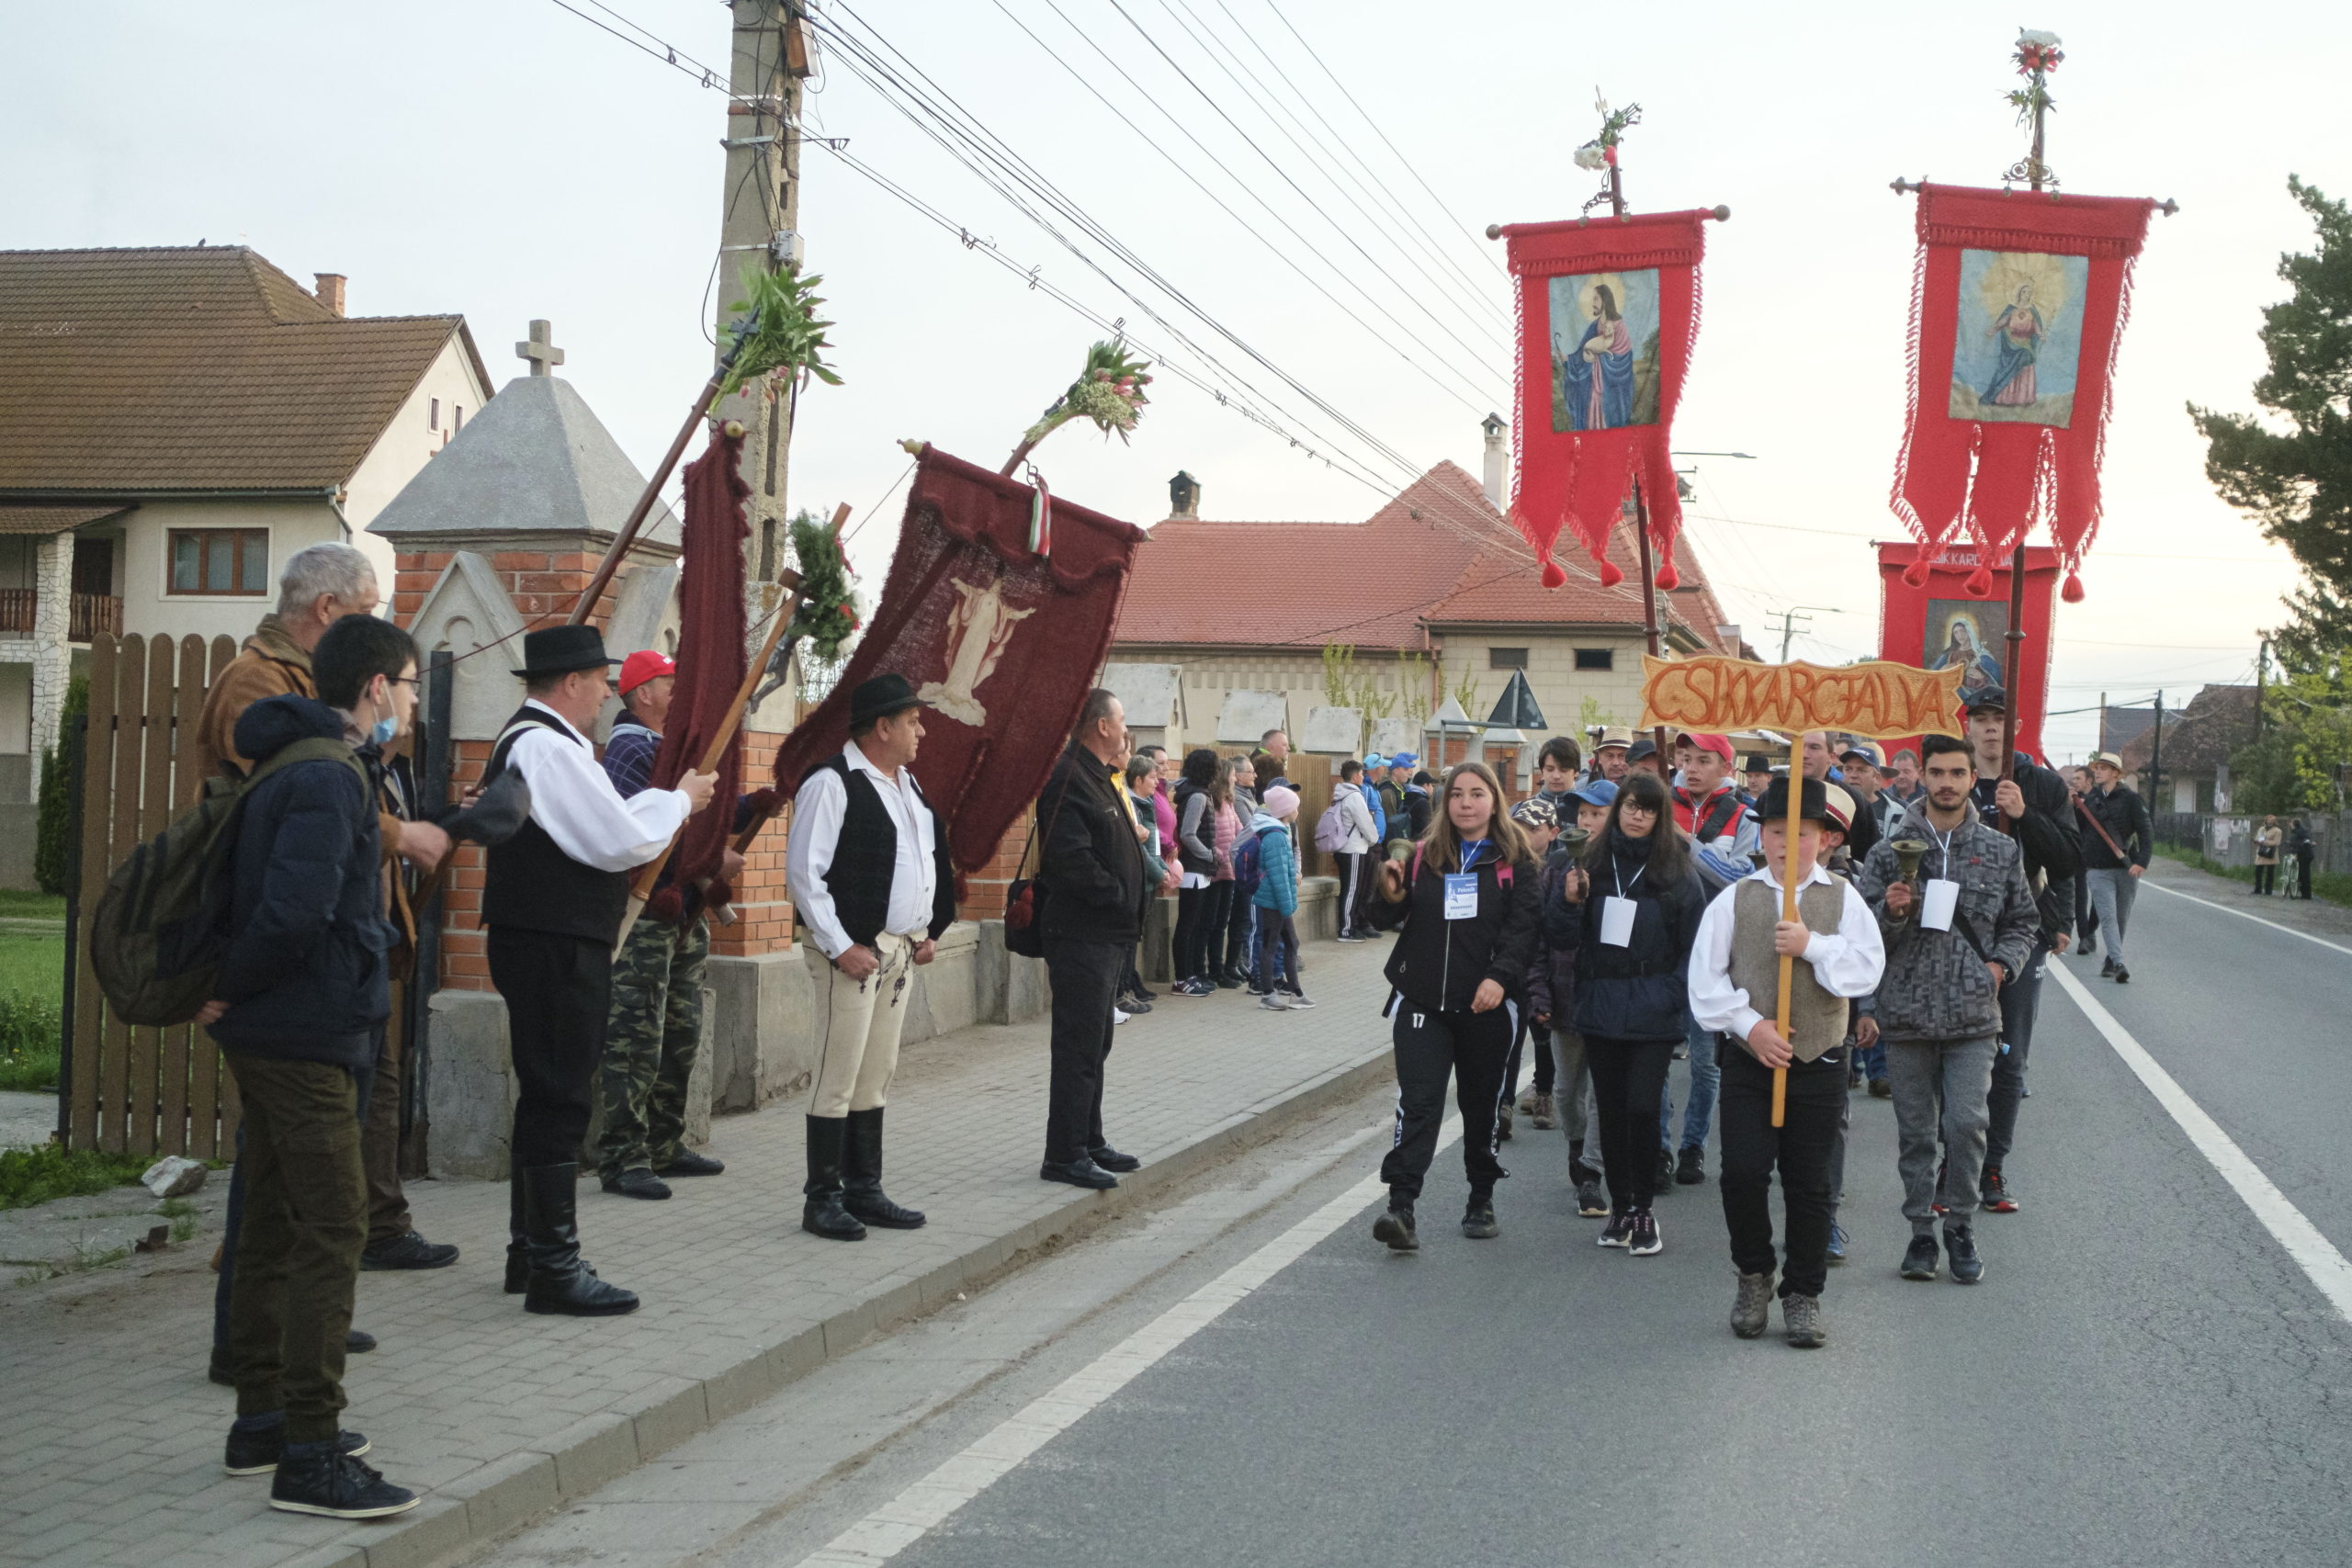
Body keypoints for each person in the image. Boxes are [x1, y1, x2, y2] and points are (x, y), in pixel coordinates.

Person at [197, 546, 450, 1392]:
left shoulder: (318, 718)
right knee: (323, 1216)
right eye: (407, 685)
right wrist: (226, 981)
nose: (410, 701)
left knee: (281, 1198)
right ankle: (297, 1418)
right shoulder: (264, 687)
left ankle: (262, 1372)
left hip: (323, 986)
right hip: (295, 1002)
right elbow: (287, 844)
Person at [484, 626, 716, 1315]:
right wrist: (679, 801)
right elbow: (617, 836)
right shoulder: (546, 745)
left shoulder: (540, 741)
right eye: (599, 682)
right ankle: (553, 1265)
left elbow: (606, 819)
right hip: (554, 940)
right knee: (560, 1096)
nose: (604, 695)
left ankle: (531, 1251)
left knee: (545, 1095)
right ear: (571, 683)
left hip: (545, 936)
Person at [1690, 777, 1885, 1347]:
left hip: (1820, 1060)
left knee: (1810, 1184)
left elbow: (1864, 971)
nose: (1785, 844)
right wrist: (1751, 1025)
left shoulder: (1844, 898)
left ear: (1823, 839)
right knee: (1744, 1174)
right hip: (1752, 1062)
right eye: (1776, 832)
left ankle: (1804, 1292)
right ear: (1762, 835)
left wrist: (1812, 946)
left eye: (1799, 833)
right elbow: (1704, 982)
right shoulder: (1737, 897)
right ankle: (1754, 1273)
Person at [1855, 734, 2036, 1285]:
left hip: (1973, 1016)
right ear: (1923, 777)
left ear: (1968, 780)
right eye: (1938, 773)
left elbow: (2023, 921)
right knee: (1915, 1132)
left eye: (1958, 773)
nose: (1948, 783)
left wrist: (2001, 967)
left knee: (1966, 1123)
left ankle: (1959, 1221)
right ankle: (1919, 1233)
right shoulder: (1889, 852)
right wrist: (1890, 912)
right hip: (1906, 1015)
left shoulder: (2000, 850)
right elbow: (1863, 936)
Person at [786, 674, 956, 1241]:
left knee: (876, 1073)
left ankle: (864, 1188)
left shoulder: (908, 786)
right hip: (854, 953)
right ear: (882, 727)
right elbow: (805, 877)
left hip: (899, 951)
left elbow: (927, 860)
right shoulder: (832, 783)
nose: (921, 730)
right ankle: (822, 1199)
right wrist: (840, 947)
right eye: (912, 721)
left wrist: (930, 928)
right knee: (838, 1073)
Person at [1364, 761, 1542, 1249]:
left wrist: (1499, 979)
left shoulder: (1515, 862)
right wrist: (1389, 890)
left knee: (1480, 1107)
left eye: (1477, 794)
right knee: (1418, 1103)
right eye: (1457, 794)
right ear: (1445, 803)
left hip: (1486, 1006)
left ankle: (1480, 1197)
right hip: (1422, 1001)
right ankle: (1402, 1206)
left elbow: (1524, 931)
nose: (1466, 802)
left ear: (1494, 802)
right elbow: (1382, 917)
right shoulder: (1423, 856)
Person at [594, 649, 750, 1201]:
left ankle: (663, 1141)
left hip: (681, 911)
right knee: (636, 1034)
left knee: (680, 1030)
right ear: (643, 695)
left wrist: (754, 805)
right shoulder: (631, 749)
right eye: (669, 682)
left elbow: (704, 813)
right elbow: (641, 827)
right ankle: (623, 1156)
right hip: (644, 914)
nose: (679, 692)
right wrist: (710, 859)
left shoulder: (668, 748)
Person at [1546, 770, 1706, 1257]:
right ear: (1619, 809)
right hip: (1599, 1001)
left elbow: (1694, 948)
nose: (1637, 815)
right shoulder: (1587, 862)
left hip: (1654, 1008)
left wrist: (1670, 995)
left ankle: (1643, 1207)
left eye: (1649, 808)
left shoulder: (1677, 871)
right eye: (1631, 805)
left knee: (1641, 1104)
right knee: (1611, 1111)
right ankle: (1621, 1208)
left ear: (1660, 817)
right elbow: (1558, 936)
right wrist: (1572, 903)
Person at [1962, 691, 2079, 1213]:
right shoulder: (1952, 775)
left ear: (2018, 725)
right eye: (1981, 720)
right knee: (1954, 1049)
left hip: (2022, 930)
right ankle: (1954, 1161)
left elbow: (2070, 858)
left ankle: (1992, 1167)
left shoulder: (2043, 784)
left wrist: (2025, 814)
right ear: (1967, 728)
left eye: (2000, 721)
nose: (1991, 730)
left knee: (2008, 1056)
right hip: (1957, 935)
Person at [1037, 689, 1151, 1190]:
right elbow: (1070, 860)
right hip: (1082, 933)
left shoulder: (1101, 776)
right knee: (1079, 1046)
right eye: (1122, 720)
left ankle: (1090, 1139)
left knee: (1097, 1042)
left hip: (1106, 934)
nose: (1127, 730)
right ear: (1101, 725)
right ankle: (1064, 1155)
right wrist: (1117, 895)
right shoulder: (1067, 778)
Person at [1660, 733, 1754, 1190]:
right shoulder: (1658, 805)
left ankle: (1692, 1145)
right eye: (1685, 758)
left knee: (1704, 1061)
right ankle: (1659, 1146)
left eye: (1704, 760)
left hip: (1716, 952)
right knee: (1657, 1053)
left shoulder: (1744, 816)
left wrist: (1685, 843)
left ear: (1726, 769)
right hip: (1660, 949)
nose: (1691, 768)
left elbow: (1740, 878)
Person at [1535, 779, 1612, 1216]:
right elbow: (1542, 934)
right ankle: (1577, 1144)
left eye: (1596, 814)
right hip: (1565, 995)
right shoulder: (1557, 863)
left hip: (1607, 996)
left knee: (1601, 1092)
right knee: (1567, 1089)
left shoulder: (1622, 866)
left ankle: (1592, 1172)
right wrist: (1539, 990)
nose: (1586, 821)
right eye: (1582, 814)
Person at [1501, 797, 1560, 1136]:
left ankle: (1544, 1094)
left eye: (1533, 829)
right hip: (1513, 962)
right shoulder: (1505, 863)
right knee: (1509, 1036)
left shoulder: (1559, 867)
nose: (1524, 834)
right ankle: (1505, 1102)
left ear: (1552, 832)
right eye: (1519, 827)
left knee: (1543, 1035)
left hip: (1545, 965)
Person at [2076, 750, 2151, 982]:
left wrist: (2142, 861)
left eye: (2103, 768)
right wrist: (2074, 805)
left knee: (2120, 918)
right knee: (2107, 916)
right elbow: (2078, 828)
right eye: (2097, 768)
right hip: (2098, 868)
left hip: (2126, 867)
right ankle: (2119, 963)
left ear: (2116, 774)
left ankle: (2111, 958)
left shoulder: (2131, 799)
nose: (2097, 772)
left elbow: (2146, 831)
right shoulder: (2089, 799)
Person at [1169, 748, 1226, 994]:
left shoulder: (1199, 794)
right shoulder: (1198, 797)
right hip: (1193, 868)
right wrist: (1210, 854)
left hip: (1199, 868)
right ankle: (1182, 978)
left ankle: (1190, 974)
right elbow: (1188, 834)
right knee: (1187, 926)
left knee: (1194, 925)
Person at [1250, 784, 1309, 1009]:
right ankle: (1268, 994)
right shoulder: (1275, 836)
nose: (1297, 811)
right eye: (1295, 807)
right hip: (1274, 901)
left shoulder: (1280, 831)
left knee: (1290, 943)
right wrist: (1287, 906)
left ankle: (1296, 991)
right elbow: (1278, 876)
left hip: (1279, 900)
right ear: (1286, 810)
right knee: (1271, 944)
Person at [1216, 754, 1262, 987]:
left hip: (1238, 867)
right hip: (1229, 866)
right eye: (1247, 772)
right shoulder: (1235, 801)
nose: (1254, 775)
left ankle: (1234, 963)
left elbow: (1242, 829)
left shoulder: (1235, 800)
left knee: (1242, 918)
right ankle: (1225, 966)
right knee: (1226, 920)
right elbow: (1248, 830)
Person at [1329, 758, 1382, 942]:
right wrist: (1374, 839)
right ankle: (1346, 930)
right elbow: (1365, 823)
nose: (1363, 776)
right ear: (1354, 776)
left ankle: (1349, 926)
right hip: (1353, 849)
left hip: (1345, 848)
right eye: (1360, 773)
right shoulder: (1354, 796)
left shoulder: (1341, 794)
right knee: (1351, 890)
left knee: (1350, 888)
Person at [1533, 737, 1582, 819]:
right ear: (1542, 771)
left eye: (1564, 770)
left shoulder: (1585, 810)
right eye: (1550, 769)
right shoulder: (1523, 810)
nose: (1556, 776)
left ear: (1576, 772)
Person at [2254, 814, 2284, 897]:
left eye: (2272, 821)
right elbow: (2258, 838)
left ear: (2274, 822)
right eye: (2268, 820)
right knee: (2258, 871)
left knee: (2270, 873)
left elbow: (2277, 842)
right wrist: (2258, 841)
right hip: (2261, 852)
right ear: (2266, 820)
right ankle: (2258, 888)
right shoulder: (2262, 829)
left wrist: (2266, 842)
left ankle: (2268, 890)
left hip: (2271, 853)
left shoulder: (2278, 831)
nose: (2269, 822)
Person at [2289, 818, 2316, 899]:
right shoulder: (2302, 831)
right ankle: (2305, 894)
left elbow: (2298, 844)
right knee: (2303, 874)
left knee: (2303, 875)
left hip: (2303, 855)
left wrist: (2295, 853)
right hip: (2307, 855)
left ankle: (2306, 895)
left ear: (2293, 824)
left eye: (2291, 823)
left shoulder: (2298, 832)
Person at [1404, 769, 1435, 840]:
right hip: (1418, 841)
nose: (1433, 788)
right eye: (1432, 785)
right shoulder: (1423, 802)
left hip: (1407, 836)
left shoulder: (1407, 795)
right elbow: (1426, 827)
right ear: (1425, 785)